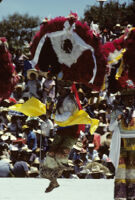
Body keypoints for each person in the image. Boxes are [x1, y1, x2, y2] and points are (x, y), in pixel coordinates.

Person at [109, 89, 135, 200]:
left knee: (133, 171)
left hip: (134, 143)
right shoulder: (116, 111)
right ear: (122, 99)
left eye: (131, 97)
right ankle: (120, 196)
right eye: (126, 97)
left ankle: (132, 196)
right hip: (122, 142)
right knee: (121, 171)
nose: (129, 100)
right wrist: (118, 120)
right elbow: (110, 127)